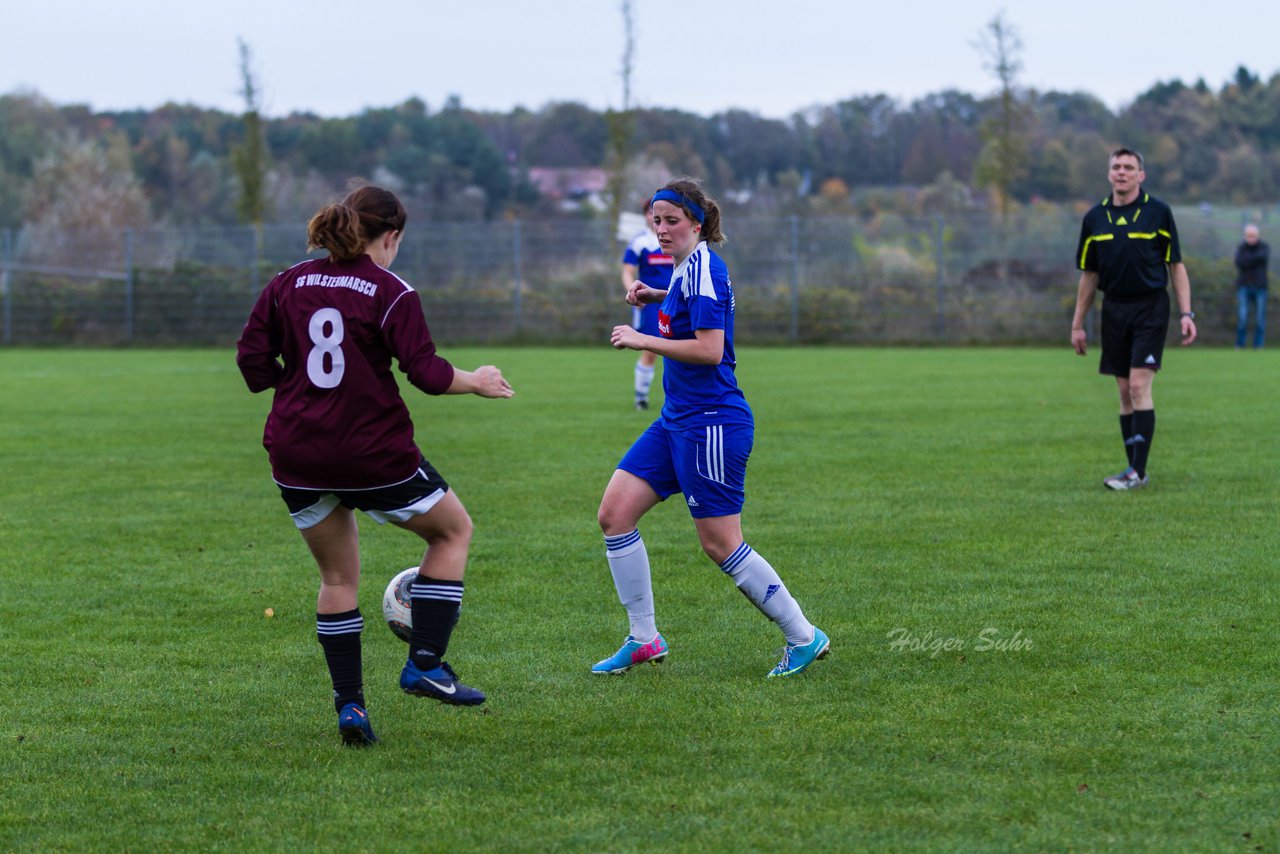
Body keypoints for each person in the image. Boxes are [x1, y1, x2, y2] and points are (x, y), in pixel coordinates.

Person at [235, 185, 514, 746]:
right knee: (453, 532)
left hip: (298, 453)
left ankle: (351, 707)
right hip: (372, 455)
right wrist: (477, 381)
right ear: (389, 237)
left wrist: (291, 388)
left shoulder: (287, 281)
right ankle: (426, 665)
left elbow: (251, 360)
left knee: (337, 578)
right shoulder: (390, 290)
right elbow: (428, 374)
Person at [595, 178, 829, 678]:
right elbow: (688, 303)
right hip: (675, 419)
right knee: (615, 515)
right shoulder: (687, 270)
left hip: (711, 424)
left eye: (671, 221)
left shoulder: (703, 270)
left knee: (720, 543)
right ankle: (643, 638)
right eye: (655, 220)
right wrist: (656, 293)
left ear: (696, 225)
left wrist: (643, 340)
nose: (661, 230)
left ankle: (804, 636)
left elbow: (709, 349)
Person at [1071, 147, 1197, 491]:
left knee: (1140, 385)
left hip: (1150, 308)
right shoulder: (1094, 218)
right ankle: (1133, 467)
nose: (1122, 172)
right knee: (1125, 391)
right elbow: (1089, 275)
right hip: (1113, 309)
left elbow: (1176, 266)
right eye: (1116, 167)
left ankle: (1136, 474)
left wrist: (1187, 313)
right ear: (1109, 174)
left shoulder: (1159, 213)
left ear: (1141, 175)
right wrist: (1077, 323)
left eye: (1129, 167)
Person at [620, 200, 675, 409]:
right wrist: (632, 291)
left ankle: (679, 398)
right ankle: (641, 398)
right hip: (651, 304)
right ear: (646, 216)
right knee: (651, 350)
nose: (654, 216)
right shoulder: (639, 242)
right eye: (651, 213)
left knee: (682, 349)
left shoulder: (676, 240)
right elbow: (627, 271)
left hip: (677, 301)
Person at [1234, 223, 1269, 349]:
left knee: (1260, 319)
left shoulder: (1264, 247)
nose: (1251, 238)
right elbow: (1239, 262)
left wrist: (1248, 260)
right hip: (1244, 286)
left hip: (1260, 287)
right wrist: (1253, 260)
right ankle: (1239, 345)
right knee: (1242, 317)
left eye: (1253, 236)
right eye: (1248, 236)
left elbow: (1261, 258)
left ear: (1257, 235)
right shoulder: (1241, 248)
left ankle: (1258, 345)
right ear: (1245, 236)